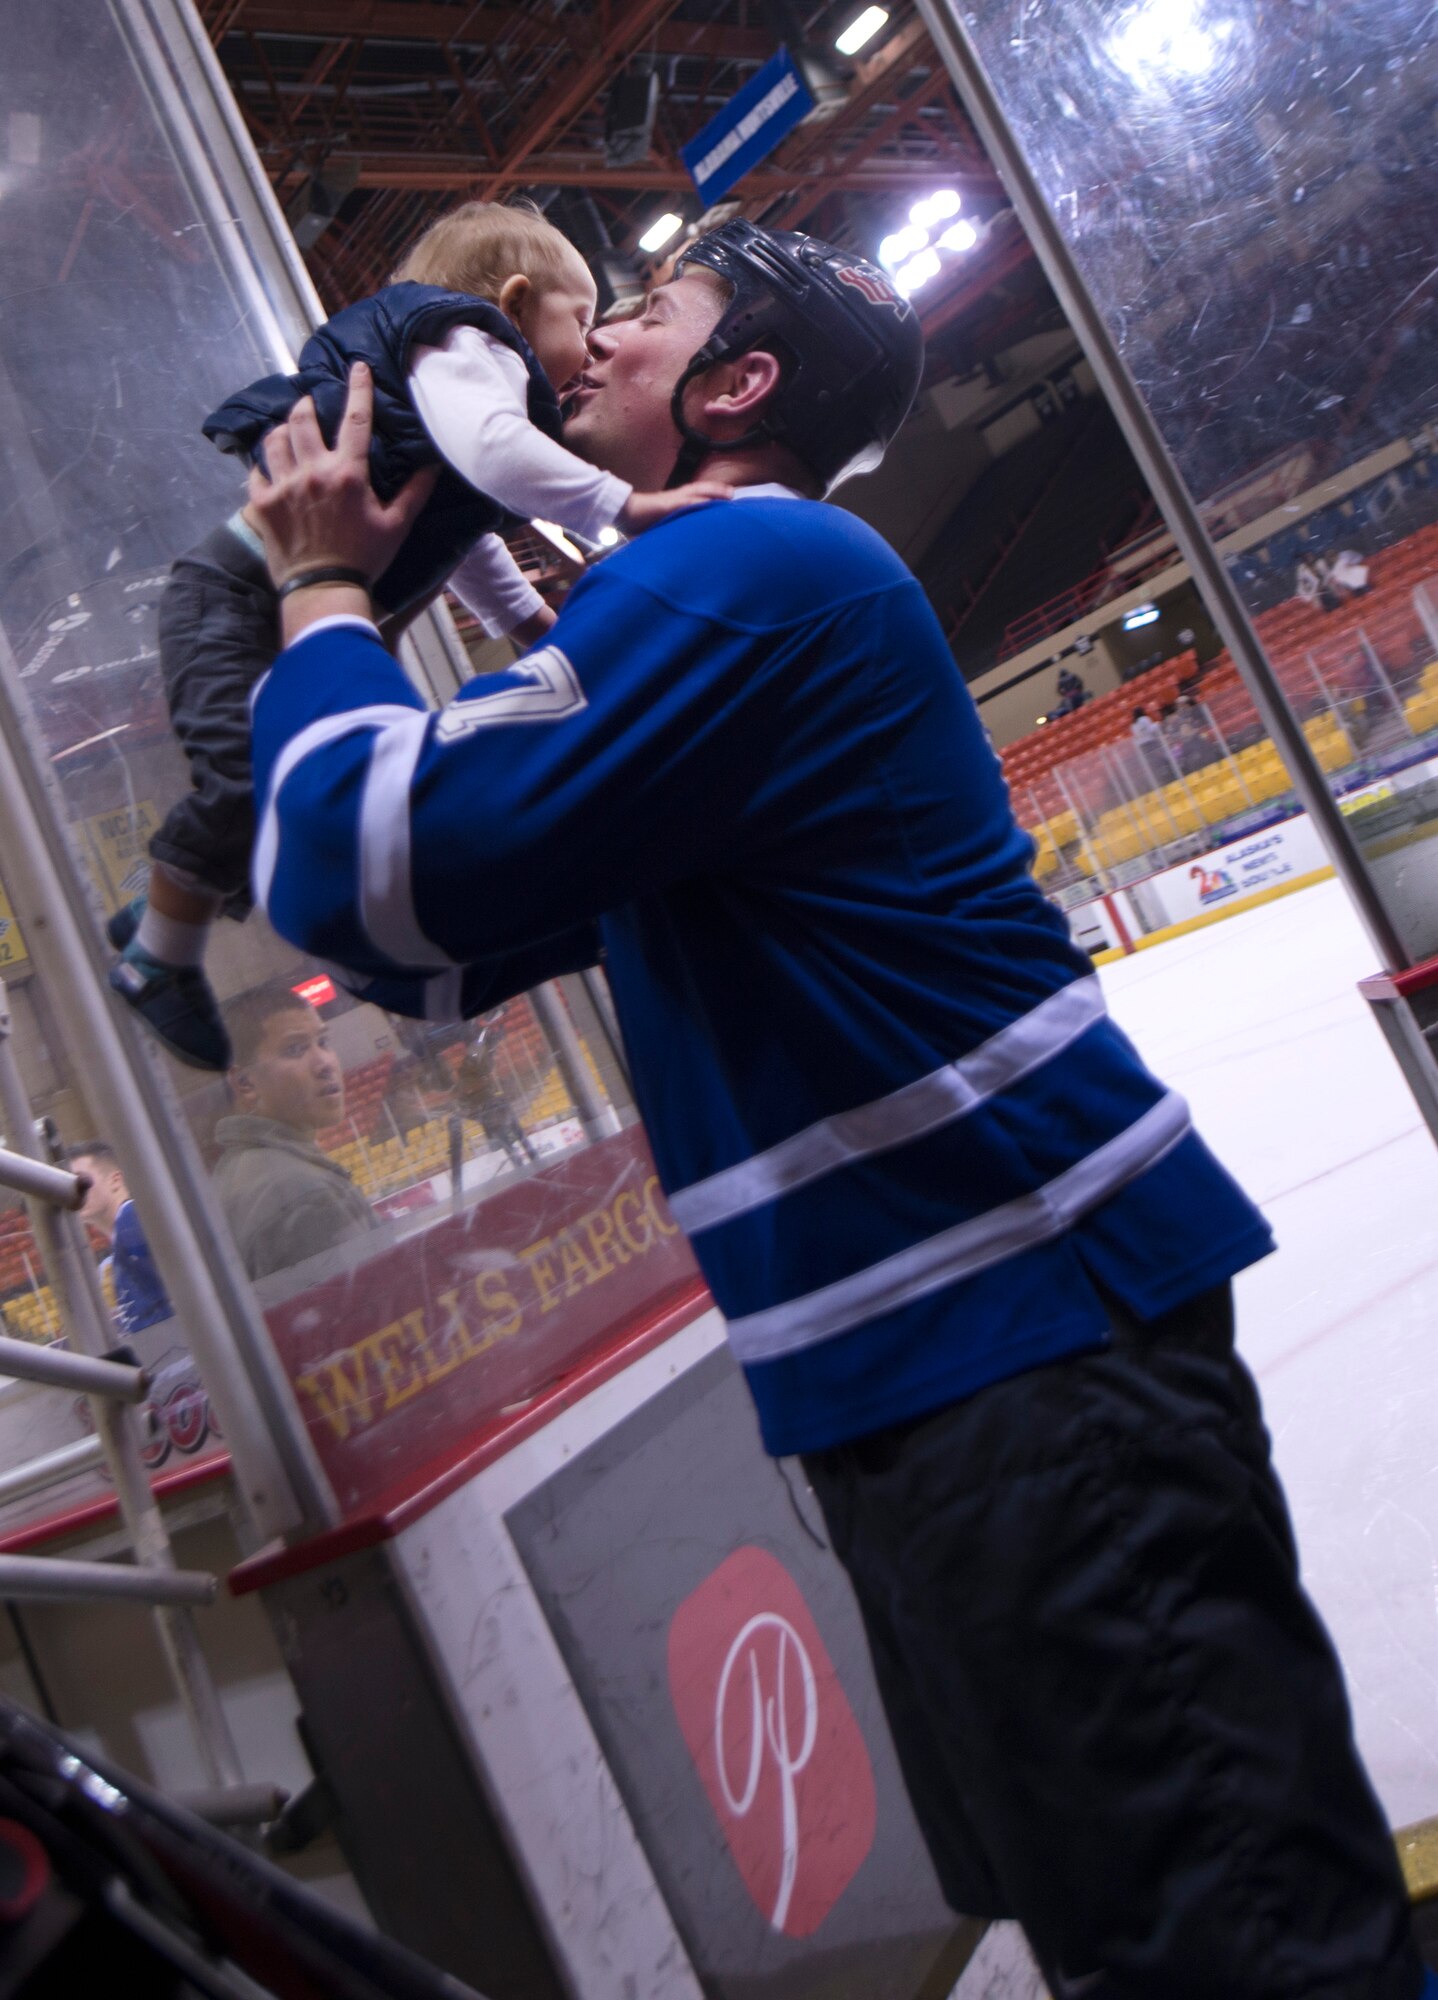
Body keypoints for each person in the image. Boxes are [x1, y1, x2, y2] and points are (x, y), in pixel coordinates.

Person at [242, 225, 1428, 1999]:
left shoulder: (753, 563)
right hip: (968, 1357)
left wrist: (323, 597)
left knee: (1231, 1940)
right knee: (1146, 1911)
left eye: (644, 315)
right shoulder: (699, 592)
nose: (592, 340)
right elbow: (443, 952)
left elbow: (367, 874)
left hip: (1020, 1349)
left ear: (735, 390)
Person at [107, 199, 730, 1074]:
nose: (591, 344)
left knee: (273, 783)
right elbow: (491, 449)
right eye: (580, 317)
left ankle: (162, 914)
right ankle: (155, 956)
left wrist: (528, 623)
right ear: (513, 303)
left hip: (279, 607)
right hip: (234, 599)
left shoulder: (456, 399)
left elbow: (465, 533)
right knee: (256, 777)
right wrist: (618, 506)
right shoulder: (467, 343)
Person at [212, 986, 380, 1282]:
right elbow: (377, 1313)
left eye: (324, 1041)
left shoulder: (236, 1170)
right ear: (244, 1083)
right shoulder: (302, 1198)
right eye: (295, 1049)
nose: (325, 1063)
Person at [67, 1140, 172, 1334]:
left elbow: (171, 1304)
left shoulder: (132, 1225)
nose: (73, 1192)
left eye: (81, 1181)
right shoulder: (126, 1229)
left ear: (115, 1180)